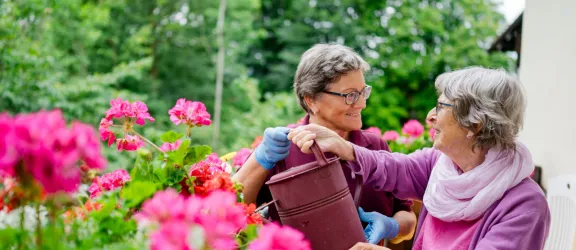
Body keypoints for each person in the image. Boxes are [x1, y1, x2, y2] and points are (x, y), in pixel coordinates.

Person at [288, 67, 551, 250]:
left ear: (476, 124)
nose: (430, 116)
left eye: (441, 107)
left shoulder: (524, 206)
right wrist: (344, 147)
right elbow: (392, 167)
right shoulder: (441, 166)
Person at [233, 43, 417, 244]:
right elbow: (232, 210)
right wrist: (260, 159)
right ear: (311, 99)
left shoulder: (374, 146)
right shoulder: (281, 149)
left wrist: (393, 226)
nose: (362, 104)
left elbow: (407, 217)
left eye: (363, 92)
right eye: (350, 95)